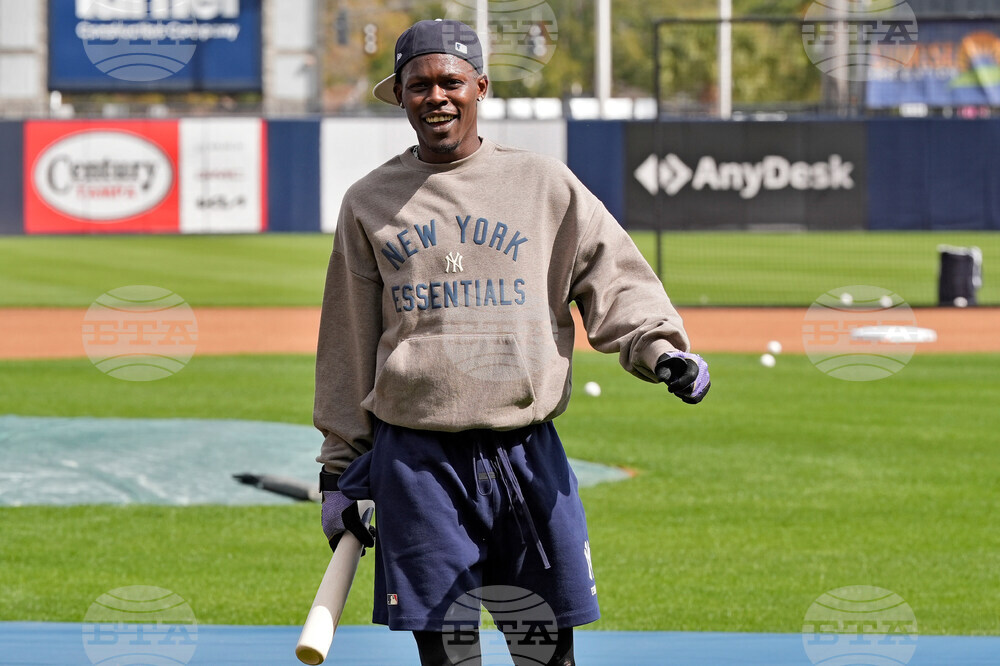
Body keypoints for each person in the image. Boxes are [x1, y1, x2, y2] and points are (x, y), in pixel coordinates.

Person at [313, 18, 710, 666]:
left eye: (449, 82)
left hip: (524, 455)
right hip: (417, 466)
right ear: (402, 95)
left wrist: (660, 350)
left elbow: (612, 277)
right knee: (447, 657)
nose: (435, 96)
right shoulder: (369, 202)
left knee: (548, 654)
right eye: (419, 85)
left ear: (479, 87)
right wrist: (337, 471)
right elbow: (348, 344)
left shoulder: (543, 184)